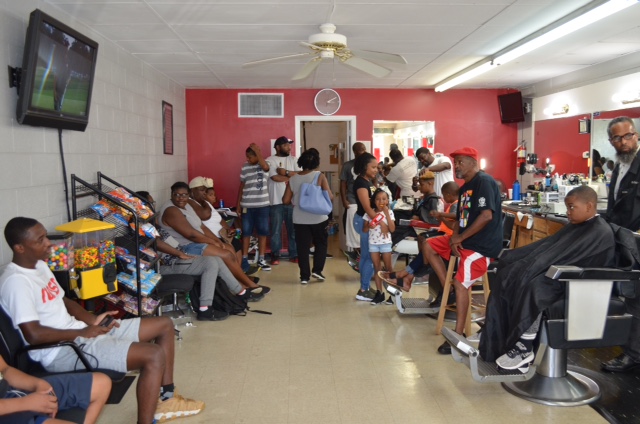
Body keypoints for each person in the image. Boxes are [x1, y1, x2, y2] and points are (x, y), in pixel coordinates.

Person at [0, 217, 204, 424]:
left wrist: (92, 320)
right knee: (152, 355)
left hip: (78, 332)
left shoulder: (39, 265)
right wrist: (81, 333)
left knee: (164, 325)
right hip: (60, 351)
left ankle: (166, 398)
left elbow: (64, 300)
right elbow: (33, 335)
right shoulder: (16, 282)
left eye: (45, 237)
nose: (48, 243)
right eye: (40, 240)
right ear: (20, 248)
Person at [479, 186, 618, 370]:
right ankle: (495, 336)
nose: (568, 212)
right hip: (561, 275)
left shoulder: (600, 232)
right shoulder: (577, 226)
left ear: (589, 206)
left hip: (580, 283)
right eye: (567, 208)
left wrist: (537, 268)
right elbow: (549, 250)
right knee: (507, 271)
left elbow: (582, 262)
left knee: (535, 286)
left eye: (572, 207)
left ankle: (524, 347)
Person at [387, 147, 503, 355]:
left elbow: (486, 216)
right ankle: (448, 290)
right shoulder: (466, 187)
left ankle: (459, 335)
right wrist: (454, 238)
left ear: (473, 162)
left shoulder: (484, 182)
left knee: (461, 283)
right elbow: (461, 218)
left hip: (480, 245)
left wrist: (460, 238)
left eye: (460, 162)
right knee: (428, 245)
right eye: (455, 162)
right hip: (466, 240)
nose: (456, 166)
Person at [159, 182, 268, 296]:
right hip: (184, 247)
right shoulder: (171, 210)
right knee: (226, 255)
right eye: (177, 194)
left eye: (184, 195)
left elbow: (202, 226)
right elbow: (191, 235)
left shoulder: (186, 205)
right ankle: (249, 285)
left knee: (229, 248)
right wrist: (212, 242)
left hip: (195, 243)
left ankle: (240, 282)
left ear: (188, 195)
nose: (181, 198)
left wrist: (217, 241)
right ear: (171, 194)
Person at [601, 116, 640, 373]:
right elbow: (616, 205)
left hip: (636, 240)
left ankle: (633, 354)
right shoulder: (620, 165)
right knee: (629, 296)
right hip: (623, 238)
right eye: (617, 138)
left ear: (636, 135)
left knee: (635, 298)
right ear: (611, 141)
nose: (624, 142)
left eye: (628, 136)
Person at [380, 178, 458, 299]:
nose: (419, 187)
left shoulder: (454, 204)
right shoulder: (448, 203)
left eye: (421, 184)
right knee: (424, 243)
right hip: (443, 235)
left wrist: (440, 216)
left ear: (449, 194)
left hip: (448, 239)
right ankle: (407, 277)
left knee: (426, 245)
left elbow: (451, 223)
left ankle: (406, 275)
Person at [0, 355, 110, 424]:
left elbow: (5, 370)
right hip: (7, 412)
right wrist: (26, 403)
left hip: (12, 392)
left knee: (101, 383)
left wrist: (38, 384)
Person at [283, 149, 333, 285]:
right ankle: (317, 270)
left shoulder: (293, 179)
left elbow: (285, 200)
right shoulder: (319, 176)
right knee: (321, 243)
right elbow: (330, 196)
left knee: (302, 247)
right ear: (316, 163)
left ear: (301, 162)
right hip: (319, 218)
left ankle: (304, 277)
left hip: (299, 219)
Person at [237, 144, 272, 271]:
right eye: (247, 157)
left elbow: (265, 168)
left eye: (250, 157)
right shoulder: (245, 167)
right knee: (246, 232)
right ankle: (244, 259)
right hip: (247, 205)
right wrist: (238, 205)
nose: (248, 159)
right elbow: (242, 186)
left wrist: (258, 152)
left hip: (262, 205)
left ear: (257, 155)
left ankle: (261, 259)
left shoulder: (266, 164)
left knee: (263, 232)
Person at [266, 136, 300, 265]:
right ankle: (275, 255)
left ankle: (294, 254)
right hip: (276, 201)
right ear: (278, 147)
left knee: (293, 231)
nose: (289, 147)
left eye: (289, 145)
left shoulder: (294, 160)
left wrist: (285, 172)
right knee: (275, 231)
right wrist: (291, 176)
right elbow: (274, 177)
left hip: (292, 202)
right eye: (286, 145)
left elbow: (300, 175)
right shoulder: (270, 160)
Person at [353, 152, 380, 301]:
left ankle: (365, 287)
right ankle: (364, 289)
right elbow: (367, 208)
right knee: (370, 256)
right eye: (373, 167)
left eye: (377, 167)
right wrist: (381, 222)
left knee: (365, 255)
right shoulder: (361, 183)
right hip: (365, 222)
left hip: (368, 221)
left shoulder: (367, 181)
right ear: (364, 167)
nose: (376, 170)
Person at [364, 189, 395, 305]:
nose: (381, 201)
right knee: (377, 268)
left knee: (388, 268)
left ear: (387, 201)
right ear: (373, 201)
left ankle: (393, 294)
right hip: (373, 244)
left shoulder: (390, 212)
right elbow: (364, 229)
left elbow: (392, 229)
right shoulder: (370, 213)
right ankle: (379, 293)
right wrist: (369, 226)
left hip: (386, 243)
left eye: (384, 199)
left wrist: (386, 213)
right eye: (377, 199)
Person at [340, 142, 367, 257]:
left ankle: (362, 252)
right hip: (352, 199)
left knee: (365, 226)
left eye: (364, 149)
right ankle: (356, 252)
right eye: (360, 149)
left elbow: (374, 180)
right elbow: (343, 183)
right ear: (355, 152)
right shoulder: (347, 165)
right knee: (352, 226)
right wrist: (344, 199)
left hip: (366, 200)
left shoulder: (368, 164)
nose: (363, 151)